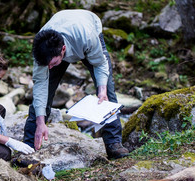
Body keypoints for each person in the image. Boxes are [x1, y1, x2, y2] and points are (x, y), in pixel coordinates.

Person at [23, 9, 129, 159]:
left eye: (53, 64)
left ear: (63, 50)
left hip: (86, 31)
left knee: (108, 93)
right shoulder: (42, 50)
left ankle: (114, 144)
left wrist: (102, 90)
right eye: (46, 65)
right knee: (41, 98)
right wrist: (40, 122)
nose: (50, 68)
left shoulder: (87, 36)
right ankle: (28, 147)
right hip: (58, 38)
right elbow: (41, 87)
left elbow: (100, 64)